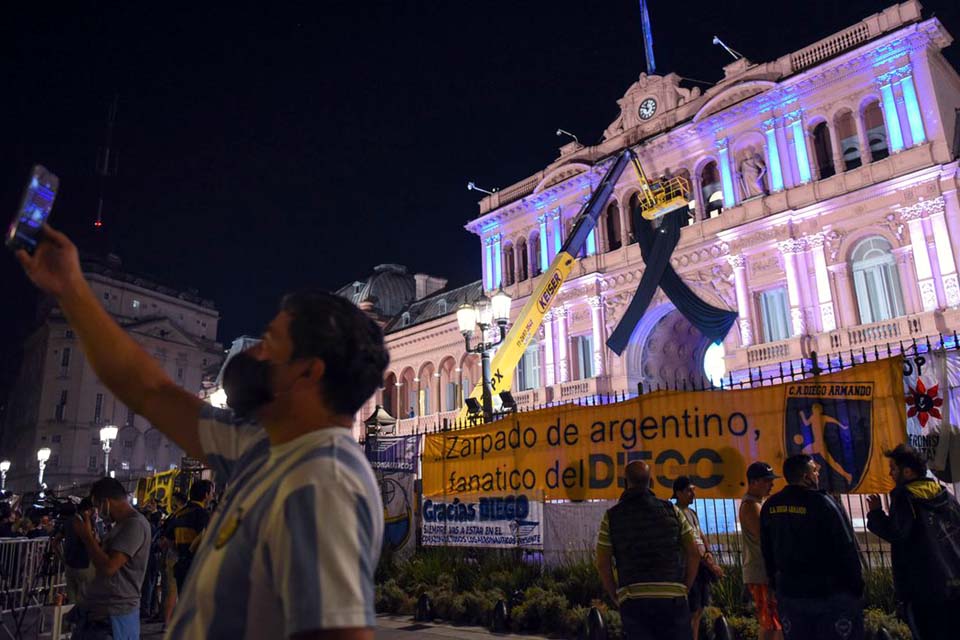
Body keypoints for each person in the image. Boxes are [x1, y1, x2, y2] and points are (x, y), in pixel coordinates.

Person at [16, 225, 387, 640]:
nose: (251, 354)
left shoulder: (323, 481)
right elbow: (150, 389)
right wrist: (71, 289)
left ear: (308, 371)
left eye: (269, 343)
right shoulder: (263, 447)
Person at [760, 454, 864, 640]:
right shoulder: (823, 503)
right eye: (815, 471)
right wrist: (856, 585)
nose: (818, 475)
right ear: (806, 477)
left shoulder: (771, 505)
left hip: (790, 592)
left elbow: (767, 550)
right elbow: (846, 546)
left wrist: (775, 583)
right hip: (826, 593)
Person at [596, 461, 700, 640]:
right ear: (651, 482)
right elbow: (694, 552)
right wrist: (685, 586)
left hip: (634, 599)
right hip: (673, 599)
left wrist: (615, 595)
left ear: (625, 483)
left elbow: (602, 562)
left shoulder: (612, 516)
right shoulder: (672, 510)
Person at [867, 444, 960, 640]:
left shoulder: (905, 498)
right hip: (954, 583)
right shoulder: (946, 496)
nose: (890, 473)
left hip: (923, 588)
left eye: (893, 468)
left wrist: (876, 514)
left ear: (907, 471)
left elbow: (897, 533)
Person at [71, 477, 152, 640]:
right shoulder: (121, 525)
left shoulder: (134, 525)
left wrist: (87, 537)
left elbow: (109, 567)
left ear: (106, 502)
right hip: (100, 613)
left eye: (96, 506)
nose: (96, 512)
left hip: (114, 616)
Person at [672, 476, 723, 640]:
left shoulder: (691, 512)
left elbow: (700, 534)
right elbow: (691, 543)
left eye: (693, 490)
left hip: (700, 566)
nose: (693, 494)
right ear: (678, 493)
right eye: (689, 491)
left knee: (699, 608)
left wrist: (709, 555)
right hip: (690, 566)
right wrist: (709, 563)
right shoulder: (676, 513)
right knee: (692, 610)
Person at [739, 463, 782, 640]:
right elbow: (765, 537)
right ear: (754, 482)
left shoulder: (758, 503)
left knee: (774, 621)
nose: (771, 484)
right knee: (770, 622)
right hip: (760, 571)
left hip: (764, 571)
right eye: (767, 481)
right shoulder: (751, 505)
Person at [163, 479, 213, 592]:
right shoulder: (203, 515)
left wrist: (182, 551)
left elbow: (169, 541)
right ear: (206, 495)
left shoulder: (179, 514)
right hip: (197, 569)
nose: (212, 497)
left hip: (181, 567)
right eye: (211, 493)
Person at [52, 498, 97, 605]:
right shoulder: (85, 522)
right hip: (84, 565)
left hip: (70, 565)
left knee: (72, 600)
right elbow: (89, 539)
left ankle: (71, 620)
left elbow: (55, 541)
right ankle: (80, 620)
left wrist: (62, 558)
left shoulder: (68, 522)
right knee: (84, 599)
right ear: (89, 510)